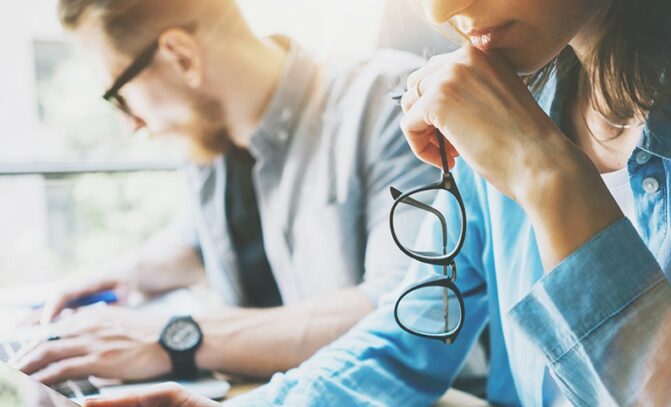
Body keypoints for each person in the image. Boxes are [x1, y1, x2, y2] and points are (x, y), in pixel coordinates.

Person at [82, 0, 671, 405]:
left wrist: (546, 175)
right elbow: (408, 336)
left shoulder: (513, 136)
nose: (440, 10)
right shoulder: (503, 114)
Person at [12, 0, 438, 385]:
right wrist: (116, 279)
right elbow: (195, 243)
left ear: (181, 56)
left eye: (119, 96)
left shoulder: (391, 103)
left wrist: (175, 337)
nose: (131, 123)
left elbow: (407, 312)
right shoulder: (208, 138)